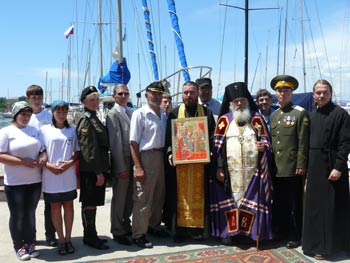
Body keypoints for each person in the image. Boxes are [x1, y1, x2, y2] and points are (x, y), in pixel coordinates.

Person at [210, 82, 273, 245]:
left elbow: (267, 143)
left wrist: (263, 147)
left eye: (242, 100)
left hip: (254, 173)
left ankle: (251, 233)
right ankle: (229, 233)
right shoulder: (224, 120)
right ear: (230, 103)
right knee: (231, 201)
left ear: (247, 101)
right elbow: (216, 147)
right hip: (230, 173)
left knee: (251, 200)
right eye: (236, 101)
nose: (239, 103)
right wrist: (218, 167)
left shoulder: (257, 118)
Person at [302, 80, 350, 260]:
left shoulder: (341, 115)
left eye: (325, 92)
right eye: (318, 92)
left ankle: (331, 246)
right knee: (315, 208)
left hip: (332, 166)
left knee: (332, 208)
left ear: (331, 93)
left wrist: (338, 167)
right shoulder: (311, 116)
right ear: (313, 94)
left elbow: (345, 143)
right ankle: (313, 244)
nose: (321, 96)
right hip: (315, 167)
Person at [164, 81, 216, 242]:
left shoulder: (206, 113)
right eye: (186, 92)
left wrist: (210, 152)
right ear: (182, 94)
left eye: (192, 92)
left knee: (201, 195)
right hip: (181, 165)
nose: (188, 96)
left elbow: (212, 136)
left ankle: (200, 231)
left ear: (197, 93)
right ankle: (180, 231)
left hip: (201, 164)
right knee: (179, 197)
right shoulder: (174, 114)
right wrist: (171, 152)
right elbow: (169, 138)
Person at [0, 101, 46, 260]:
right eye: (23, 114)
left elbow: (42, 150)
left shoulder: (35, 130)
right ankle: (19, 246)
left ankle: (31, 243)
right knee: (17, 215)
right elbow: (1, 155)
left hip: (34, 181)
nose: (26, 117)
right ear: (15, 115)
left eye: (28, 114)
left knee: (30, 214)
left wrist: (43, 156)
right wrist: (23, 162)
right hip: (15, 183)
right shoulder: (6, 132)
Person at [269, 74, 309, 249]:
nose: (282, 94)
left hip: (292, 167)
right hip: (277, 167)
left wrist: (301, 165)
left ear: (291, 92)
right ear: (276, 94)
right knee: (280, 203)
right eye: (279, 91)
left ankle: (295, 234)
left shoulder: (300, 113)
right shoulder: (274, 115)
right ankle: (282, 231)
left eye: (286, 90)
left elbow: (303, 141)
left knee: (294, 204)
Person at [129, 81, 167, 248]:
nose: (157, 96)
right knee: (143, 197)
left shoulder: (164, 115)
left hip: (161, 156)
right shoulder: (140, 114)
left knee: (159, 196)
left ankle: (153, 226)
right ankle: (138, 233)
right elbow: (133, 142)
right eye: (154, 94)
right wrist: (138, 166)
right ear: (146, 95)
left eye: (159, 94)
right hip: (146, 157)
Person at [39, 100, 80, 255]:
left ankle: (69, 238)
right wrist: (49, 166)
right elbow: (40, 151)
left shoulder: (73, 129)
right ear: (53, 113)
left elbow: (77, 152)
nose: (61, 114)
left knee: (69, 206)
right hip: (51, 175)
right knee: (55, 208)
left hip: (67, 174)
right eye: (58, 111)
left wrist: (69, 163)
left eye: (64, 111)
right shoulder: (44, 130)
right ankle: (61, 240)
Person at [76, 86, 110, 250]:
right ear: (83, 102)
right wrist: (98, 172)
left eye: (97, 99)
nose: (95, 102)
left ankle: (92, 234)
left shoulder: (94, 117)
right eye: (91, 100)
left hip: (98, 168)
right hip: (91, 170)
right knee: (89, 203)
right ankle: (89, 236)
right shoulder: (85, 119)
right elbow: (88, 149)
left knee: (93, 203)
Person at [26, 84, 57, 247]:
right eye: (33, 97)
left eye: (39, 97)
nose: (37, 100)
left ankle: (50, 235)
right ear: (28, 99)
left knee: (49, 203)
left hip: (47, 163)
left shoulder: (48, 116)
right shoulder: (25, 116)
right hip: (29, 166)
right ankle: (30, 236)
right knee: (30, 204)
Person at [106, 84, 133, 246]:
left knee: (130, 197)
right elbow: (115, 143)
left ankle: (125, 224)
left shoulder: (130, 112)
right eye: (120, 94)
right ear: (114, 96)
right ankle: (117, 229)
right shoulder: (112, 114)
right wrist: (120, 166)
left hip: (132, 160)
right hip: (121, 161)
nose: (123, 96)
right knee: (119, 198)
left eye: (126, 93)